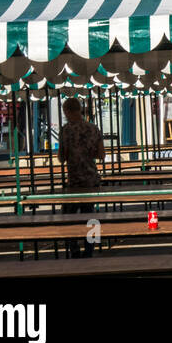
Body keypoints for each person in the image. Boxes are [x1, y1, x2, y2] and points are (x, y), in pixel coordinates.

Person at [59, 98, 105, 259]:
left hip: (74, 181)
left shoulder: (65, 130)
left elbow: (61, 158)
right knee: (91, 215)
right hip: (91, 179)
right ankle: (90, 250)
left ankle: (74, 250)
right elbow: (101, 155)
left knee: (68, 217)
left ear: (67, 111)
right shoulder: (93, 128)